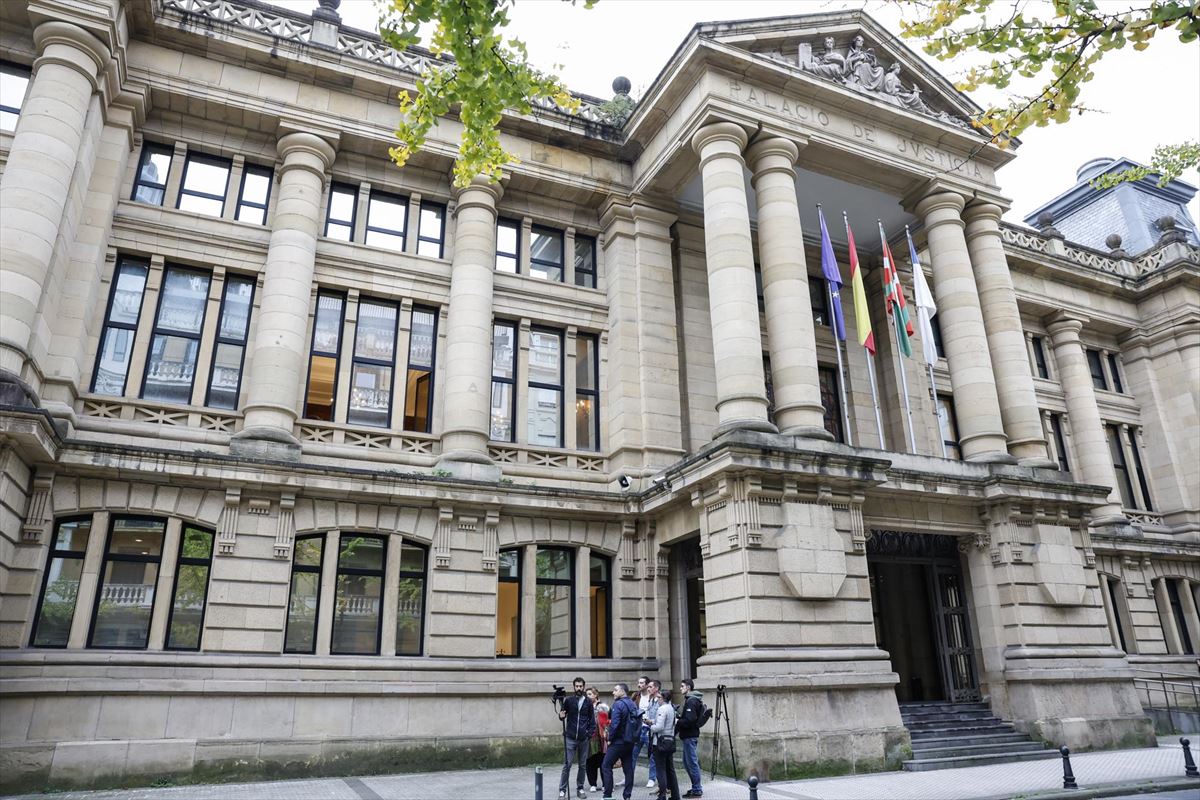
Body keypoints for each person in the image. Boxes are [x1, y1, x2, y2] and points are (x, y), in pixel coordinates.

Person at [600, 683, 639, 800]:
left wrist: (609, 739)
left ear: (622, 691)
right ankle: (627, 796)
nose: (613, 692)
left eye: (615, 690)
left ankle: (607, 795)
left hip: (618, 742)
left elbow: (615, 724)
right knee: (628, 769)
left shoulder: (618, 705)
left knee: (606, 766)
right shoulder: (632, 704)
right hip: (630, 741)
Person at [559, 677, 595, 800]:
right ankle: (562, 791)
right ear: (574, 687)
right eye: (577, 686)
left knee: (582, 765)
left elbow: (592, 721)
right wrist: (561, 715)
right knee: (567, 764)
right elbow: (563, 715)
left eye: (581, 686)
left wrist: (588, 734)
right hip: (570, 737)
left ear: (584, 687)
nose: (579, 688)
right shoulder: (569, 701)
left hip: (583, 739)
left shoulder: (588, 702)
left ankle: (580, 788)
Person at [649, 686, 681, 800]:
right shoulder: (671, 708)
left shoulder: (662, 709)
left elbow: (659, 727)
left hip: (660, 742)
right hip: (670, 741)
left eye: (658, 697)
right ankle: (675, 795)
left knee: (660, 769)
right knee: (670, 770)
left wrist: (650, 725)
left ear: (663, 698)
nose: (657, 699)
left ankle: (662, 795)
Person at [675, 679, 705, 797]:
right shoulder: (690, 699)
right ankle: (695, 787)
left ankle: (697, 789)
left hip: (690, 736)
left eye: (682, 686)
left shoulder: (692, 701)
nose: (680, 688)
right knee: (687, 763)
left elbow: (690, 720)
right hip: (688, 736)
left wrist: (678, 720)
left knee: (691, 763)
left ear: (688, 687)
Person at [628, 676, 658, 789]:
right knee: (632, 754)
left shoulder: (653, 697)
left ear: (647, 685)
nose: (639, 685)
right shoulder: (636, 696)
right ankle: (628, 777)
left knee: (652, 755)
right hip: (638, 729)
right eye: (638, 682)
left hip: (649, 729)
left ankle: (652, 778)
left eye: (641, 683)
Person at [586, 691, 608, 792]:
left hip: (602, 738)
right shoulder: (584, 706)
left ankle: (605, 784)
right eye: (587, 694)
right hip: (590, 738)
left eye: (590, 694)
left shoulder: (603, 706)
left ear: (596, 695)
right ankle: (593, 784)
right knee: (590, 761)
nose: (588, 696)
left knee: (603, 760)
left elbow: (608, 720)